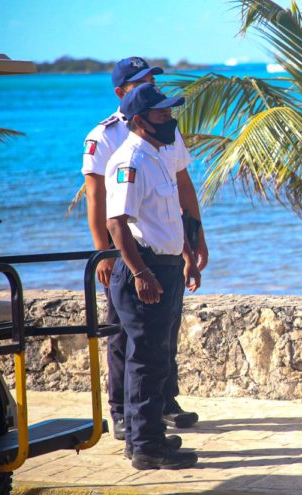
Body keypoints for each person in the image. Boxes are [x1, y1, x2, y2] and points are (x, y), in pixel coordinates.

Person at [82, 57, 207, 440]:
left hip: (164, 251)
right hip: (130, 253)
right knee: (128, 339)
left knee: (161, 336)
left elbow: (181, 189)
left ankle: (160, 407)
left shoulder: (163, 131)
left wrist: (193, 241)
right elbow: (98, 201)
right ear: (122, 92)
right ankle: (128, 419)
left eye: (151, 79)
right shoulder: (109, 139)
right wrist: (104, 253)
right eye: (141, 81)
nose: (149, 84)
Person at [105, 82, 201, 470]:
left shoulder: (158, 155)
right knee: (146, 360)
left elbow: (167, 218)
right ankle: (145, 447)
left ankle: (148, 438)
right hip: (144, 271)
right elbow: (117, 224)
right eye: (162, 114)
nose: (170, 119)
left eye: (170, 113)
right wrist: (141, 272)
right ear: (141, 120)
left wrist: (187, 254)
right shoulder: (131, 161)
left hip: (164, 266)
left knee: (157, 357)